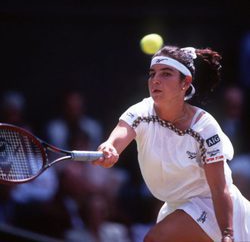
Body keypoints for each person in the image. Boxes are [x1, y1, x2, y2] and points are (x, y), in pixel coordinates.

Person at [92, 45, 250, 242]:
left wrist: (228, 234)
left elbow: (220, 188)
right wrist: (109, 147)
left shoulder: (206, 129)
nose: (155, 80)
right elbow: (119, 135)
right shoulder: (141, 112)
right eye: (152, 74)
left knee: (155, 239)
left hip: (214, 207)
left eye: (166, 74)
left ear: (185, 82)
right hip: (178, 207)